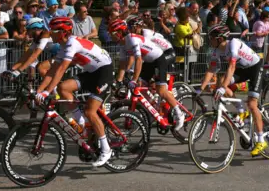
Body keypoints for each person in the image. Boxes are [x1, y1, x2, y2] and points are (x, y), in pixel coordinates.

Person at [35, 17, 114, 167]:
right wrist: (39, 91)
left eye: (54, 31)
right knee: (63, 88)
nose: (50, 33)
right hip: (92, 72)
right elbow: (52, 71)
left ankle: (106, 149)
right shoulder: (64, 46)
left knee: (91, 110)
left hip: (104, 71)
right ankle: (82, 123)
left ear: (63, 32)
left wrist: (46, 92)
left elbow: (61, 70)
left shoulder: (72, 43)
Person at [197, 24, 266, 156]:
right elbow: (212, 70)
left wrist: (223, 88)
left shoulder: (233, 44)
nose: (209, 40)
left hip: (255, 68)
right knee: (221, 82)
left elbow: (232, 67)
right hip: (243, 69)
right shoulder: (216, 51)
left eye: (211, 38)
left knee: (252, 104)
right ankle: (241, 110)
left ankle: (261, 140)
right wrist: (200, 89)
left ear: (219, 38)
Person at [114, 17, 185, 131]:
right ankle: (153, 107)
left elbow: (138, 59)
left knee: (161, 89)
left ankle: (178, 112)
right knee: (141, 84)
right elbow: (124, 64)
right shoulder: (124, 43)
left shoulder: (139, 37)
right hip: (150, 59)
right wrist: (119, 80)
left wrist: (133, 77)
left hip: (164, 55)